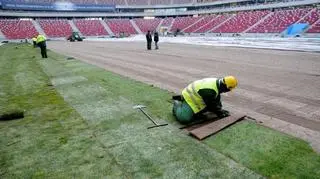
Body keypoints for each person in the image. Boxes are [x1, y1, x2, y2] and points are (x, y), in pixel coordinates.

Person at [172, 76, 238, 124]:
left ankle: (195, 111)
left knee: (204, 112)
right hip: (189, 97)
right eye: (228, 89)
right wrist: (219, 112)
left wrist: (219, 109)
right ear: (225, 86)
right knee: (184, 119)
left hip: (199, 97)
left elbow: (216, 97)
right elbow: (211, 105)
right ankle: (177, 105)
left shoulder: (218, 83)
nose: (227, 91)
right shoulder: (209, 91)